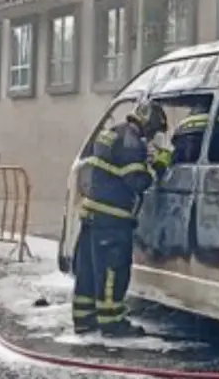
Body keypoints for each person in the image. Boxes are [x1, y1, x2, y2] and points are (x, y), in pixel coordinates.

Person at [72, 99, 171, 337]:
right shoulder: (132, 144)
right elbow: (137, 182)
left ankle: (84, 319)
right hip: (112, 220)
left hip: (92, 215)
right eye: (154, 130)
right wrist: (157, 165)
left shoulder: (113, 133)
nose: (153, 136)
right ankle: (112, 323)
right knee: (112, 272)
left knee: (88, 270)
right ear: (147, 123)